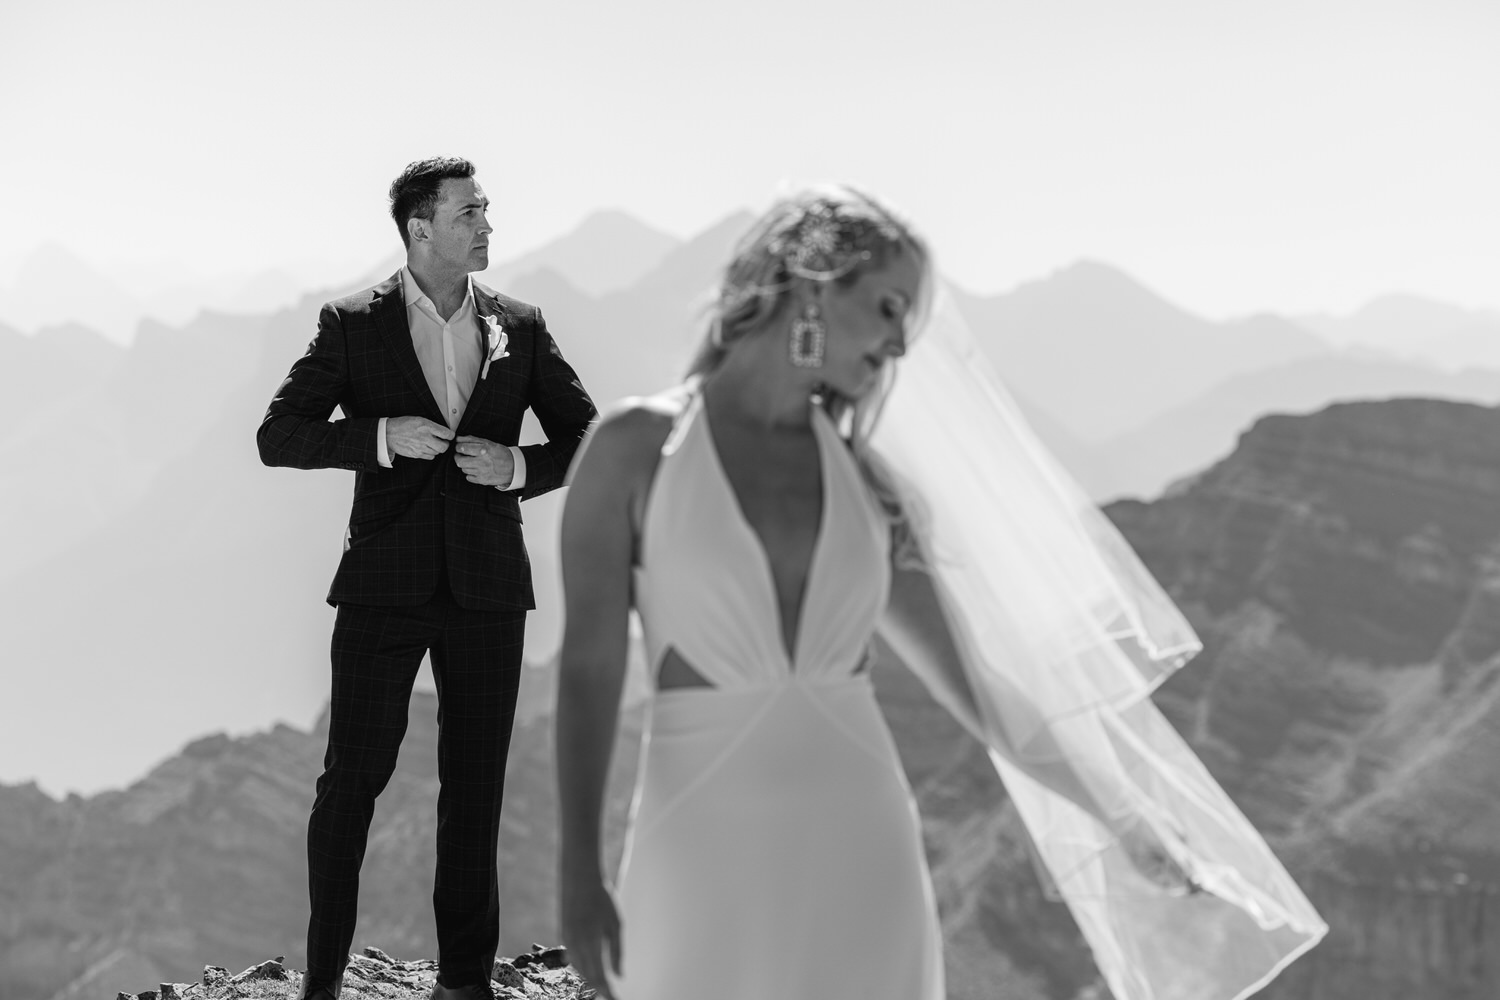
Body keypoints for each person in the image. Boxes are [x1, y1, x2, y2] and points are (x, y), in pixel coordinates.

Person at [553, 186, 1326, 1000]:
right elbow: (589, 671)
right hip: (696, 846)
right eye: (887, 307)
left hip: (865, 846)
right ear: (813, 282)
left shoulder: (866, 486)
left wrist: (1127, 818)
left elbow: (981, 688)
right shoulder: (635, 450)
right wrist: (578, 878)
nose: (896, 344)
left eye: (909, 324)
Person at [257, 156, 597, 1000]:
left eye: (485, 209)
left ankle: (465, 984)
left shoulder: (521, 321)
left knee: (475, 790)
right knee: (351, 786)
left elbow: (587, 438)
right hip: (381, 586)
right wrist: (378, 437)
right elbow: (279, 434)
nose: (487, 225)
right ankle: (323, 984)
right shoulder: (351, 325)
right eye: (470, 212)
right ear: (420, 228)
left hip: (488, 590)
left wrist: (517, 464)